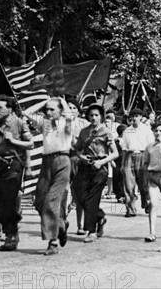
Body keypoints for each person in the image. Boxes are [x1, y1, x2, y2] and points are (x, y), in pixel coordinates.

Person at [0, 95, 33, 251]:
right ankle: (4, 230)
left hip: (14, 165)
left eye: (0, 107)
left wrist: (14, 141)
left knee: (9, 201)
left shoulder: (20, 123)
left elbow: (30, 144)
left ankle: (12, 234)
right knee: (1, 200)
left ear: (10, 108)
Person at [25, 98, 73, 255]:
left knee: (51, 200)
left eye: (52, 109)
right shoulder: (44, 123)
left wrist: (60, 100)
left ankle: (53, 242)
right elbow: (27, 112)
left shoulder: (65, 123)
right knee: (39, 200)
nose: (48, 112)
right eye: (47, 109)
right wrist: (45, 101)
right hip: (46, 162)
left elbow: (69, 115)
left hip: (62, 160)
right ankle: (60, 224)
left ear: (60, 110)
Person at [73, 104, 119, 243]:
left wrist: (102, 161)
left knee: (92, 198)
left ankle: (91, 231)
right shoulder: (83, 132)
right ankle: (99, 216)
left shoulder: (106, 132)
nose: (93, 118)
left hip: (100, 167)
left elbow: (115, 153)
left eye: (96, 115)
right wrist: (81, 157)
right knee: (80, 198)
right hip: (85, 166)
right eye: (91, 115)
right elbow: (78, 149)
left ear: (101, 117)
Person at [120, 108, 154, 217]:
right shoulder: (127, 131)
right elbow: (124, 149)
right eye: (133, 116)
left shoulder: (146, 129)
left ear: (141, 117)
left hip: (143, 156)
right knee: (128, 185)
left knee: (144, 185)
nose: (134, 119)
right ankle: (130, 209)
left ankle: (146, 202)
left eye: (137, 116)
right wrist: (122, 164)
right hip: (130, 156)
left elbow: (151, 146)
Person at [67, 98, 90, 235]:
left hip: (81, 160)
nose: (71, 111)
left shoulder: (85, 124)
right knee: (65, 191)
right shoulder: (61, 123)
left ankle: (81, 224)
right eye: (69, 108)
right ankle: (62, 221)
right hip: (65, 158)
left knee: (80, 193)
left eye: (74, 108)